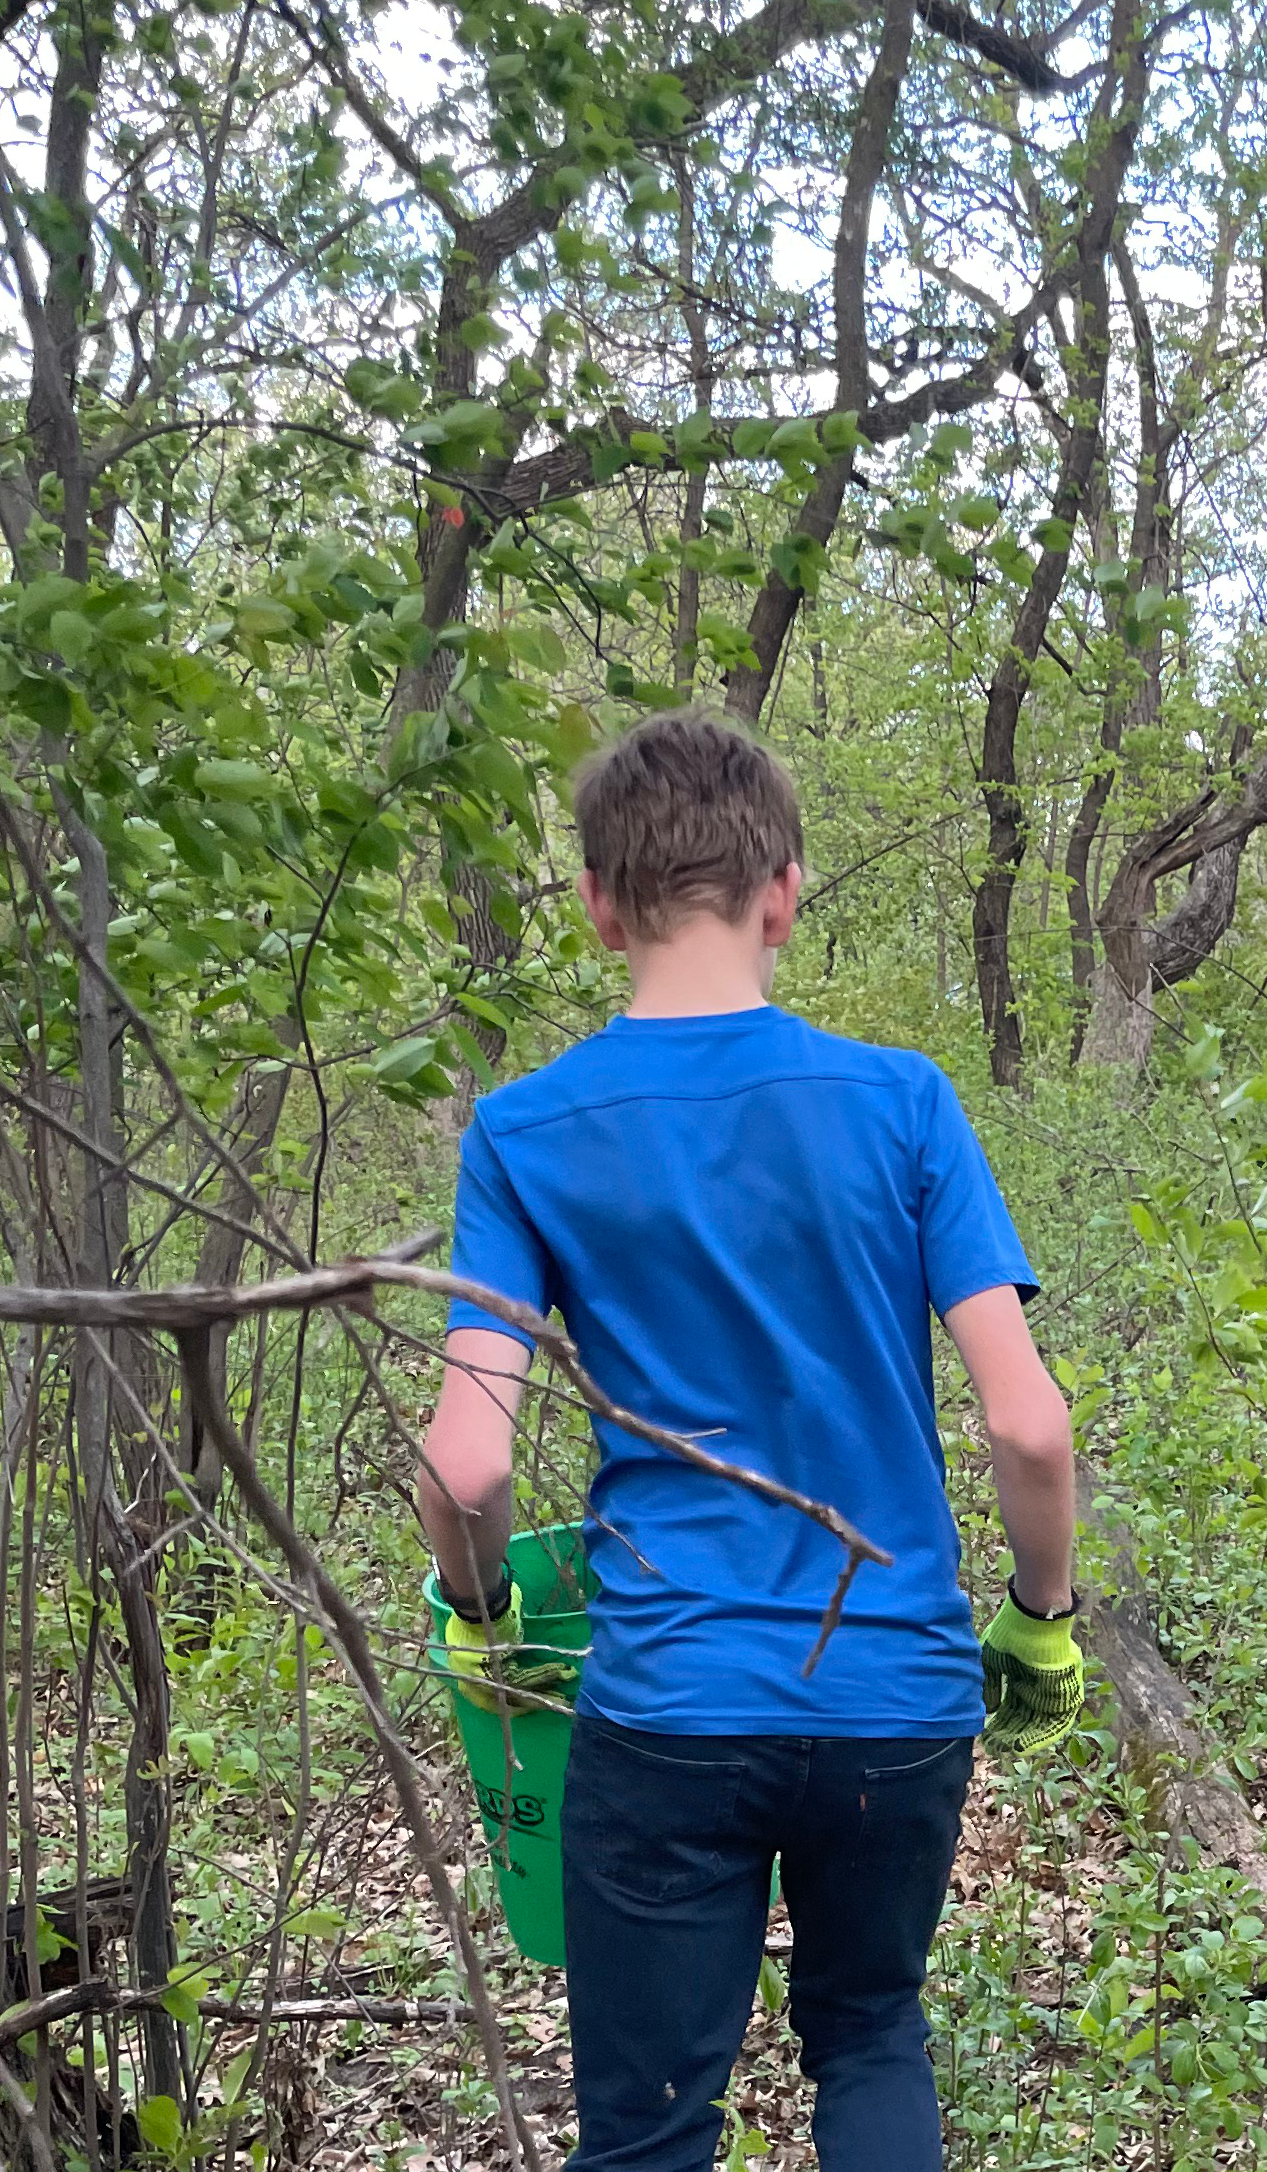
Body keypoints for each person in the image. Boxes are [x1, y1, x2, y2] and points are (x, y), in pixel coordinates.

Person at [411, 712, 1086, 2172]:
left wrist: (483, 1617)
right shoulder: (904, 1104)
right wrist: (1042, 1624)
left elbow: (467, 1465)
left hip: (667, 1705)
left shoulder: (524, 1133)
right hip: (894, 1694)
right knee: (869, 2040)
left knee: (650, 2135)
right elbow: (1029, 1425)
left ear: (598, 904)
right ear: (784, 889)